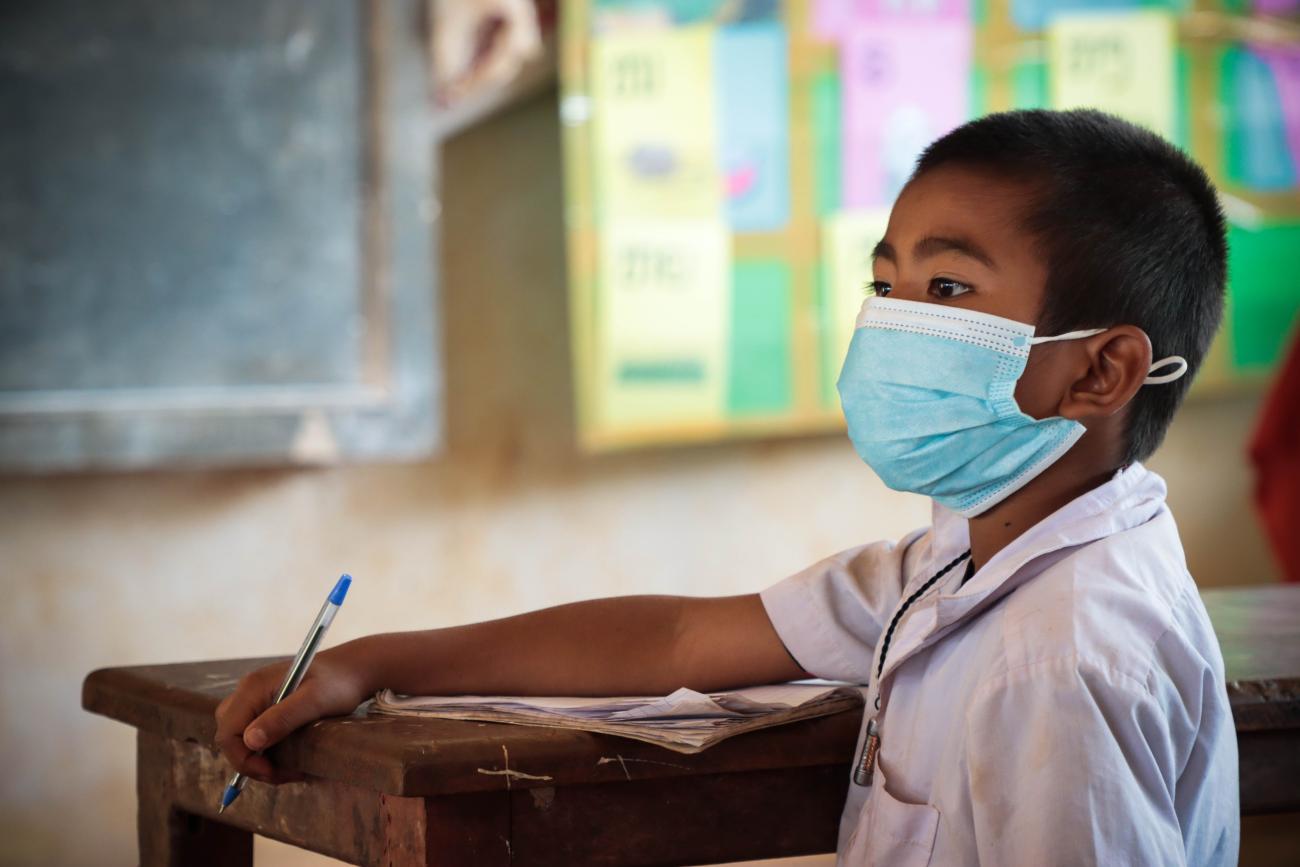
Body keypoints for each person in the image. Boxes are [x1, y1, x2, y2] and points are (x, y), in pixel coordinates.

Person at [216, 109, 1238, 865]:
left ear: (1099, 373)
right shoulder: (959, 571)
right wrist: (364, 666)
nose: (891, 322)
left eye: (949, 289)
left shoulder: (1055, 657)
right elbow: (677, 642)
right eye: (885, 286)